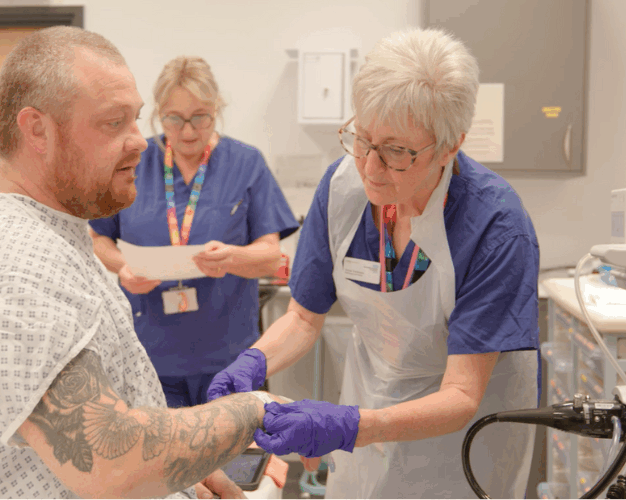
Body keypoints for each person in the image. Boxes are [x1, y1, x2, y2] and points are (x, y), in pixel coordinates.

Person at [0, 26, 283, 499]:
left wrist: (189, 473)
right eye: (113, 123)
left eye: (137, 120)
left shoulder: (55, 242)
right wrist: (256, 411)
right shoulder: (5, 266)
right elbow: (111, 462)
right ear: (37, 130)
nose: (140, 142)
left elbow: (117, 426)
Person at [208, 27, 540, 498]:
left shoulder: (495, 226)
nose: (369, 166)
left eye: (396, 152)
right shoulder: (342, 190)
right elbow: (304, 316)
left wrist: (348, 426)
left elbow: (462, 394)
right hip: (369, 413)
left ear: (450, 146)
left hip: (462, 440)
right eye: (363, 139)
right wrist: (254, 361)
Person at [89, 56, 299, 409]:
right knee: (163, 460)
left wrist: (232, 257)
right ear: (158, 113)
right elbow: (98, 239)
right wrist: (123, 267)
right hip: (151, 355)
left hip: (228, 357)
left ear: (216, 109)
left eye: (200, 117)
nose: (187, 131)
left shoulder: (246, 163)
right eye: (174, 119)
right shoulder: (135, 162)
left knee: (230, 461)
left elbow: (270, 256)